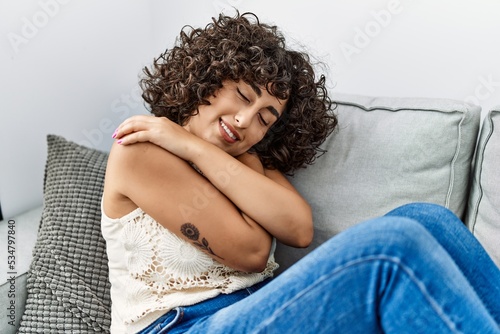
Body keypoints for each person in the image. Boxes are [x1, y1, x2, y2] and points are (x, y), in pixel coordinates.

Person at [101, 12, 500, 333]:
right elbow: (252, 252)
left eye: (265, 118)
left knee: (428, 219)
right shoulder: (139, 151)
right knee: (393, 247)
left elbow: (298, 228)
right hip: (184, 325)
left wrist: (194, 147)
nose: (244, 121)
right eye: (242, 96)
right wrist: (191, 148)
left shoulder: (246, 158)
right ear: (208, 76)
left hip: (254, 307)